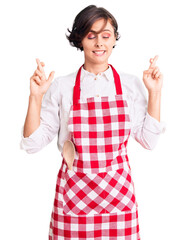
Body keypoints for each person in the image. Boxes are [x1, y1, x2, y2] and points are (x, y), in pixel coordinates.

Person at [20, 5, 165, 239]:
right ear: (80, 39)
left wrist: (155, 93)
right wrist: (35, 96)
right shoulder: (61, 87)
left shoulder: (131, 85)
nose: (99, 43)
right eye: (91, 35)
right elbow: (32, 144)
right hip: (74, 199)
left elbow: (149, 141)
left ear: (114, 38)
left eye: (106, 35)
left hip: (119, 199)